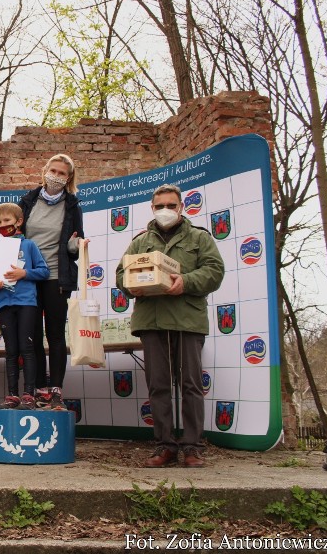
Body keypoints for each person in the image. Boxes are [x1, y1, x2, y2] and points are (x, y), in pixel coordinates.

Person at [114, 184, 225, 468]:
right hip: (152, 321)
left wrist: (185, 282)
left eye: (171, 205)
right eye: (159, 205)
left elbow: (214, 271)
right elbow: (120, 273)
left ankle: (192, 447)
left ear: (181, 207)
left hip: (188, 320)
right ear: (152, 209)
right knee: (159, 386)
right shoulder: (140, 242)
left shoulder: (200, 238)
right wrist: (130, 286)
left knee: (190, 385)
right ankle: (164, 446)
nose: (165, 210)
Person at [17, 154, 85, 411]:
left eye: (61, 173)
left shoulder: (72, 206)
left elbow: (77, 246)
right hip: (29, 277)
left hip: (57, 276)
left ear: (68, 178)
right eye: (52, 170)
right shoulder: (27, 201)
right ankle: (34, 390)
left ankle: (55, 392)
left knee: (55, 335)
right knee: (32, 336)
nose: (55, 176)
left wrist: (73, 246)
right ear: (44, 170)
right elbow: (15, 237)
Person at [0, 203, 49, 410]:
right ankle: (12, 395)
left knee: (27, 348)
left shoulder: (29, 245)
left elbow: (44, 271)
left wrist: (24, 273)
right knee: (11, 350)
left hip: (27, 304)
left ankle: (29, 394)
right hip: (5, 304)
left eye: (7, 221)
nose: (3, 225)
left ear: (19, 221)